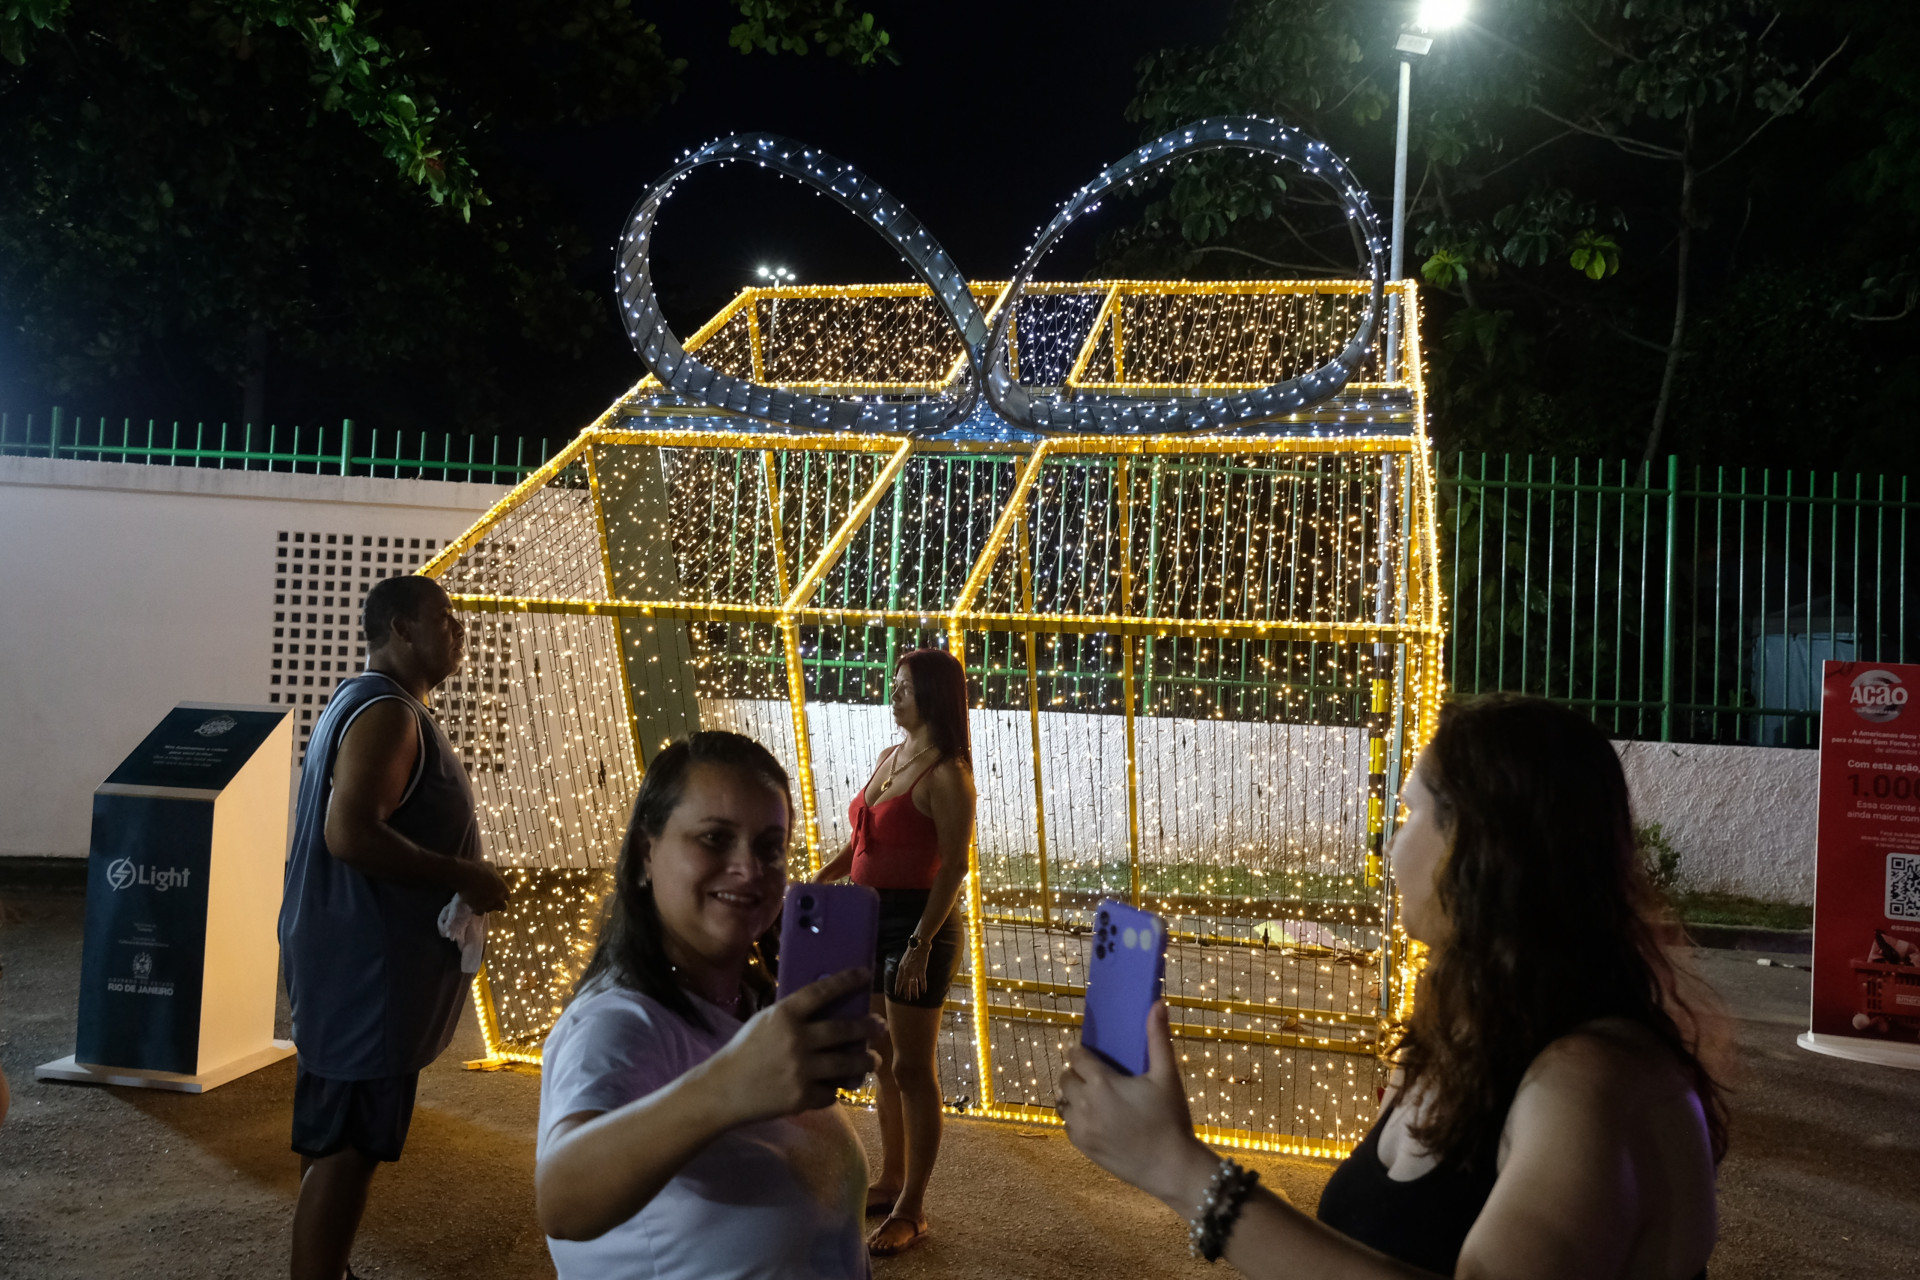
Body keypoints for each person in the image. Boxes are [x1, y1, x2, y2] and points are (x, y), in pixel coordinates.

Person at [1058, 693, 1726, 1280]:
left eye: (1408, 815)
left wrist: (1182, 1172)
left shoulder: (1592, 1084)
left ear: (1476, 848)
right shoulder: (1462, 1035)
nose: (1387, 844)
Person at [535, 731, 880, 1278]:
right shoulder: (615, 1024)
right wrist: (728, 1086)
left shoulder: (751, 1004)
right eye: (715, 839)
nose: (749, 868)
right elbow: (562, 1199)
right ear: (648, 854)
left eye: (770, 847)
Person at [278, 574, 512, 1280]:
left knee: (342, 1135)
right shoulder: (388, 713)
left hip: (352, 964)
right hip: (367, 974)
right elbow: (350, 833)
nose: (458, 629)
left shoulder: (365, 701)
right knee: (350, 1142)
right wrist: (465, 875)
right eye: (442, 618)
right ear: (401, 630)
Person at [815, 647, 977, 1257]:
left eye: (905, 687)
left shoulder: (948, 776)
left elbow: (954, 868)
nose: (893, 694)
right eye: (893, 683)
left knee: (913, 1068)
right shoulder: (890, 758)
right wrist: (823, 879)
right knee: (883, 1058)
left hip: (916, 929)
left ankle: (913, 1206)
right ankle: (888, 1179)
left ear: (933, 697)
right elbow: (859, 838)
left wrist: (919, 944)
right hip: (867, 918)